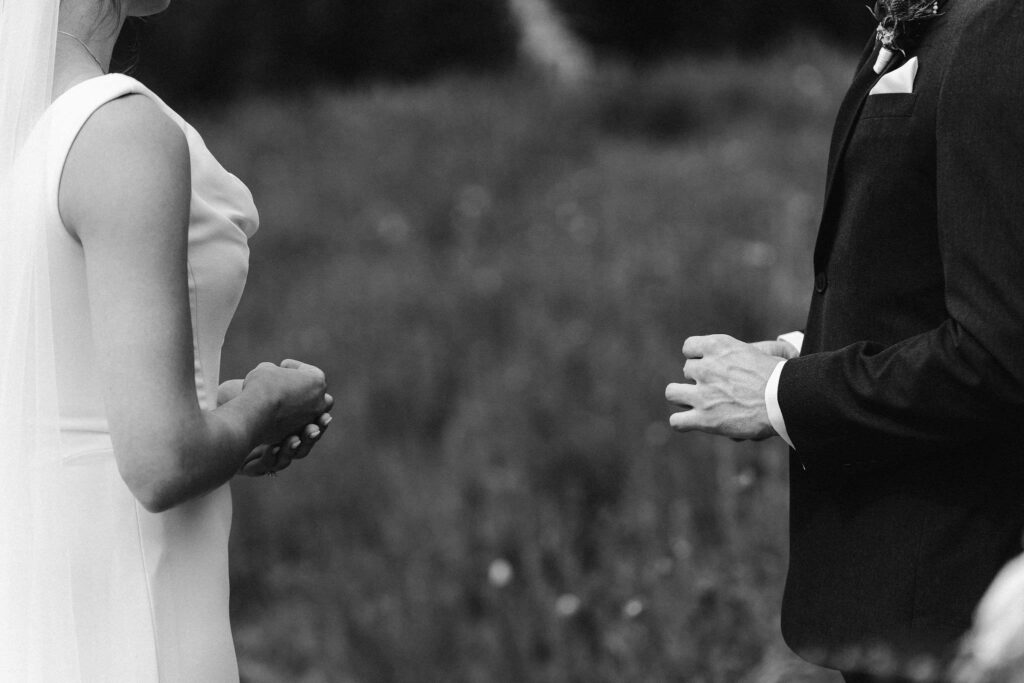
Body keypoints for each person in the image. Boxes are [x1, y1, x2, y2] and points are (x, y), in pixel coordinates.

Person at [665, 0, 1024, 680]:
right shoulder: (919, 22)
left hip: (956, 603)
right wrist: (813, 348)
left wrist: (783, 396)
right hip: (901, 596)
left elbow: (999, 355)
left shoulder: (996, 32)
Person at [0, 0, 334, 679]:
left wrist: (214, 423)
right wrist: (263, 404)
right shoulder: (118, 132)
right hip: (132, 603)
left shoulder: (20, 134)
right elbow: (161, 461)